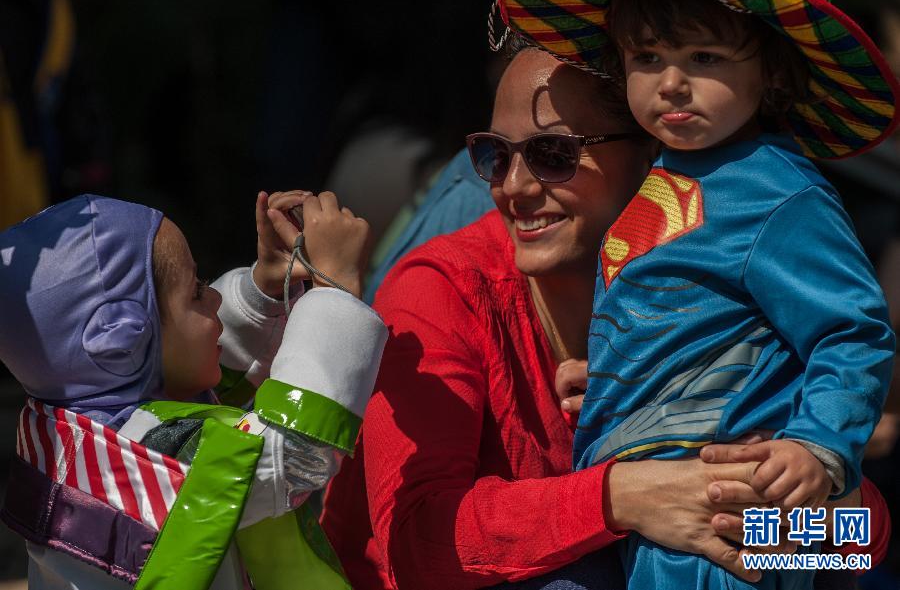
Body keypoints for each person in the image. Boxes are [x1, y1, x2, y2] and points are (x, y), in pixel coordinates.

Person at [320, 43, 891, 590]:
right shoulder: (437, 291)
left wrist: (759, 509)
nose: (513, 188)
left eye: (553, 155)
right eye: (493, 155)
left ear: (654, 154)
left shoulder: (720, 311)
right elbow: (415, 544)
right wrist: (625, 496)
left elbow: (862, 542)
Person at [498, 0, 897, 589]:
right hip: (661, 510)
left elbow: (853, 333)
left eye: (704, 57)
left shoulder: (781, 196)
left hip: (731, 512)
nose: (672, 84)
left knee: (853, 544)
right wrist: (617, 372)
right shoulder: (663, 176)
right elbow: (697, 322)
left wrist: (817, 449)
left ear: (770, 70)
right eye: (647, 57)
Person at [0, 190, 387, 589]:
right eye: (197, 291)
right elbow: (288, 453)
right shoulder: (144, 459)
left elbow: (201, 404)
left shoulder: (71, 427)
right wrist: (335, 290)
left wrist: (263, 291)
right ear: (120, 338)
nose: (215, 297)